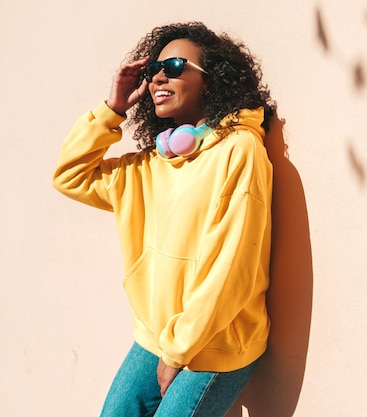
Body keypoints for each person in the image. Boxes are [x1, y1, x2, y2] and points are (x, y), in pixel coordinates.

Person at [52, 22, 274, 417]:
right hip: (157, 334)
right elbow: (71, 177)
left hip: (218, 341)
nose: (157, 76)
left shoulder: (240, 151)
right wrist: (113, 110)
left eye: (173, 65)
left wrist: (178, 350)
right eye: (153, 68)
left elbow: (232, 267)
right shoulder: (152, 165)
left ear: (212, 80)